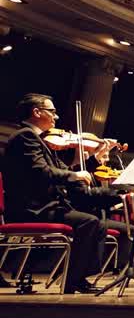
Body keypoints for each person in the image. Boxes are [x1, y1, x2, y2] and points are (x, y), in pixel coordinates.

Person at [1, 94, 110, 293]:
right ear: (36, 112)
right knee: (90, 222)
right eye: (52, 111)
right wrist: (75, 175)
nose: (56, 117)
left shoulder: (37, 139)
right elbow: (41, 171)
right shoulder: (25, 136)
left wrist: (92, 160)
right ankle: (72, 281)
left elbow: (63, 168)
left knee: (98, 224)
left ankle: (78, 277)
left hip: (46, 206)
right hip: (32, 209)